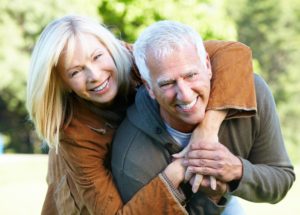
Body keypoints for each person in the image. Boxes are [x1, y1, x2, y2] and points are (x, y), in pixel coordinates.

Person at [26, 15, 256, 214]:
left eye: (97, 57)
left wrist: (207, 130)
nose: (94, 75)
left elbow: (234, 53)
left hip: (170, 186)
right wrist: (177, 171)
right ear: (63, 83)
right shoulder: (74, 131)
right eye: (75, 71)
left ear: (110, 47)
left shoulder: (140, 59)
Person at [111, 20, 295, 215]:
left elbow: (281, 179)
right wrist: (213, 195)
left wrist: (237, 170)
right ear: (149, 88)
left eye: (191, 75)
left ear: (207, 65)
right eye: (167, 83)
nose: (185, 94)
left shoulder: (253, 93)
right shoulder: (131, 157)